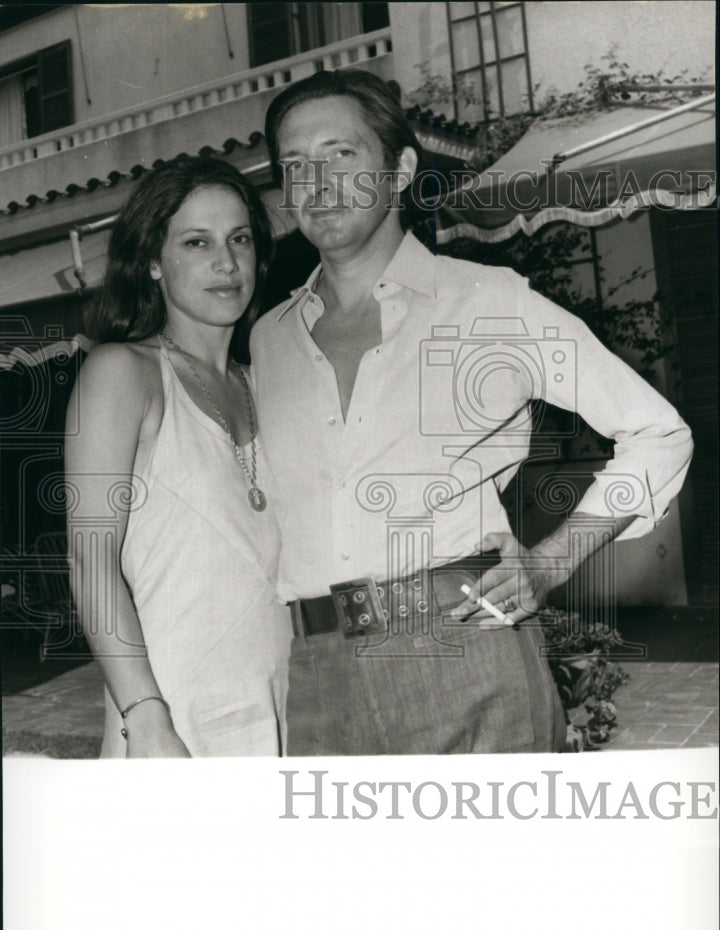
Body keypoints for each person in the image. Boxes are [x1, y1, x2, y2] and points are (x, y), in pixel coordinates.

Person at [250, 69, 694, 755]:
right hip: (315, 672)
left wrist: (550, 563)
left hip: (463, 647)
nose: (316, 182)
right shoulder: (269, 338)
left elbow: (658, 432)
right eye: (295, 165)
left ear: (399, 170)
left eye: (341, 154)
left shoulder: (490, 302)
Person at [65, 157, 290, 758]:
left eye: (239, 239)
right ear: (153, 263)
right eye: (197, 242)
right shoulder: (121, 374)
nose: (226, 262)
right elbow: (90, 562)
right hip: (171, 716)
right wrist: (146, 716)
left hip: (280, 703)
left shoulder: (265, 383)